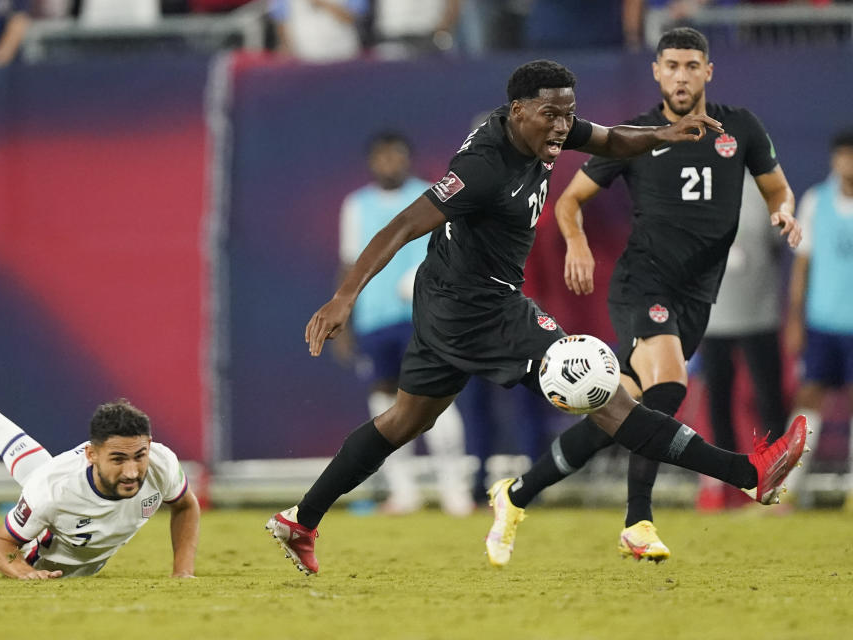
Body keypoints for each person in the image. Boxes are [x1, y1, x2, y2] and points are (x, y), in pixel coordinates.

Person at [264, 58, 808, 575]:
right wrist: (345, 296)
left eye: (569, 113)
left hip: (454, 297)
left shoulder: (546, 125)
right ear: (517, 110)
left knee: (406, 420)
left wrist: (660, 136)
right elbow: (404, 224)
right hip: (478, 309)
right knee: (609, 395)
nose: (564, 126)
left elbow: (611, 138)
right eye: (552, 115)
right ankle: (747, 474)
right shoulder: (482, 168)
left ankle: (300, 521)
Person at [493, 28, 801, 564]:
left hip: (698, 295)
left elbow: (775, 185)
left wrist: (783, 210)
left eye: (691, 65)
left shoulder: (743, 128)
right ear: (656, 73)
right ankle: (644, 517)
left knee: (622, 413)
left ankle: (516, 494)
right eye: (671, 66)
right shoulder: (635, 134)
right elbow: (570, 203)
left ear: (708, 72)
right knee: (669, 386)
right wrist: (578, 244)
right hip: (644, 283)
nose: (681, 75)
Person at [0, 372, 200, 580]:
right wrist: (24, 572)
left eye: (139, 456)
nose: (132, 472)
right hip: (43, 557)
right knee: (41, 485)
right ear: (91, 455)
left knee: (40, 472)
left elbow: (186, 506)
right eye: (118, 460)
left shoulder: (161, 461)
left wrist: (183, 572)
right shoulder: (52, 490)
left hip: (88, 551)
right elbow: (4, 544)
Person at [336, 131, 473, 516]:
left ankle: (454, 492)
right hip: (374, 319)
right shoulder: (356, 205)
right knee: (385, 402)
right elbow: (349, 263)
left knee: (437, 397)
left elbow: (456, 253)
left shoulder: (432, 195)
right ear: (371, 162)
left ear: (408, 159)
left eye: (396, 156)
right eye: (382, 156)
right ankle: (404, 491)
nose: (389, 163)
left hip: (425, 315)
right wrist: (344, 318)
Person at [697, 173, 788, 511]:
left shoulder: (769, 190)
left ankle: (775, 483)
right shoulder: (699, 186)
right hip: (714, 316)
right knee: (718, 402)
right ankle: (726, 486)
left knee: (769, 399)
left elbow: (777, 245)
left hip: (759, 313)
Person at [783, 129, 853, 507]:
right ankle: (787, 489)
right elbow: (802, 266)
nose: (848, 163)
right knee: (808, 397)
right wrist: (796, 318)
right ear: (834, 160)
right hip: (822, 322)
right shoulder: (815, 201)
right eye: (843, 156)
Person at [270, 0, 368, 63]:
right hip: (305, 56)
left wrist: (323, 3)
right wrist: (287, 48)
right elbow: (281, 20)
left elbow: (351, 18)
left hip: (344, 53)